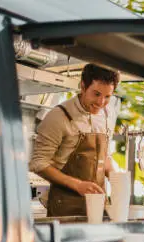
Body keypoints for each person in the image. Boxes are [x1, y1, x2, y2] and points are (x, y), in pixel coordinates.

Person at [29, 63, 120, 217]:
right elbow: (38, 163)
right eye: (96, 94)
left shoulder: (107, 114)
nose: (101, 102)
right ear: (83, 86)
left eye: (107, 96)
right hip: (65, 208)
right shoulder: (58, 116)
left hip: (97, 207)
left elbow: (104, 157)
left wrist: (117, 181)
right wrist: (77, 185)